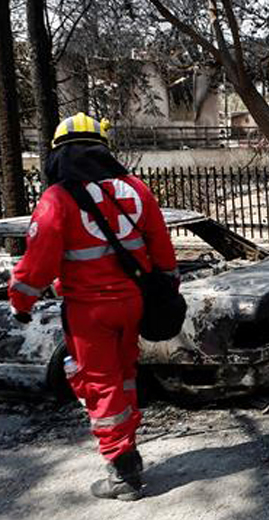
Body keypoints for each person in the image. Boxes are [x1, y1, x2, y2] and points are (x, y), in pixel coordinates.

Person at [6, 113, 178, 501]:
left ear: (58, 153)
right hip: (133, 304)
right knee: (126, 375)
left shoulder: (57, 198)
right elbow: (163, 250)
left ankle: (122, 471)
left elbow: (37, 264)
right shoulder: (136, 189)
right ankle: (129, 447)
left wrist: (20, 301)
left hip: (89, 311)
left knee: (99, 383)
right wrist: (168, 286)